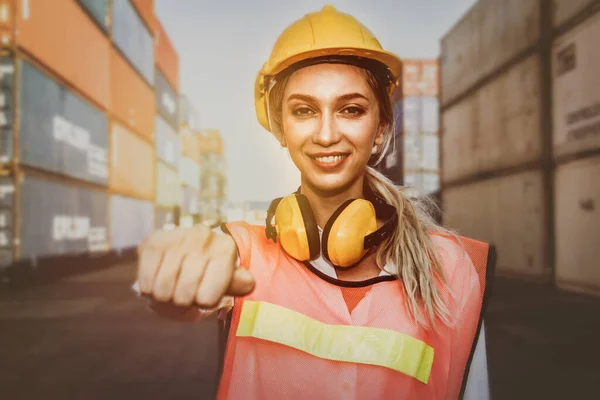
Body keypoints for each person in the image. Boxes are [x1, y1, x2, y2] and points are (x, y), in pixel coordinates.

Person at [135, 5, 495, 400]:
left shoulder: (452, 268)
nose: (326, 134)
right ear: (281, 129)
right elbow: (192, 279)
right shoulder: (242, 251)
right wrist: (169, 274)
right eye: (304, 110)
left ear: (381, 128)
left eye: (351, 109)